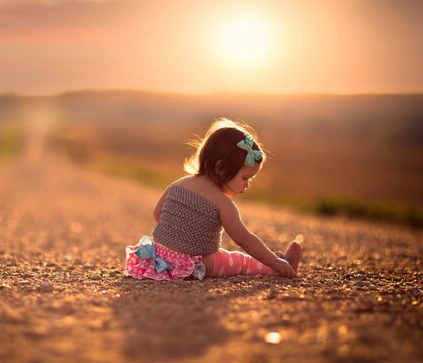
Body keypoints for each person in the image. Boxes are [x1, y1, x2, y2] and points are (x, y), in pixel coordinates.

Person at [125, 118, 301, 280]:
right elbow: (244, 239)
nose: (246, 186)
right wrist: (275, 263)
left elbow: (158, 214)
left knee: (225, 255)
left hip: (158, 258)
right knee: (239, 260)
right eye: (245, 178)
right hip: (193, 265)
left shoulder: (179, 184)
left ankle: (276, 258)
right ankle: (278, 265)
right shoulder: (222, 203)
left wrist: (177, 235)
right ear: (222, 168)